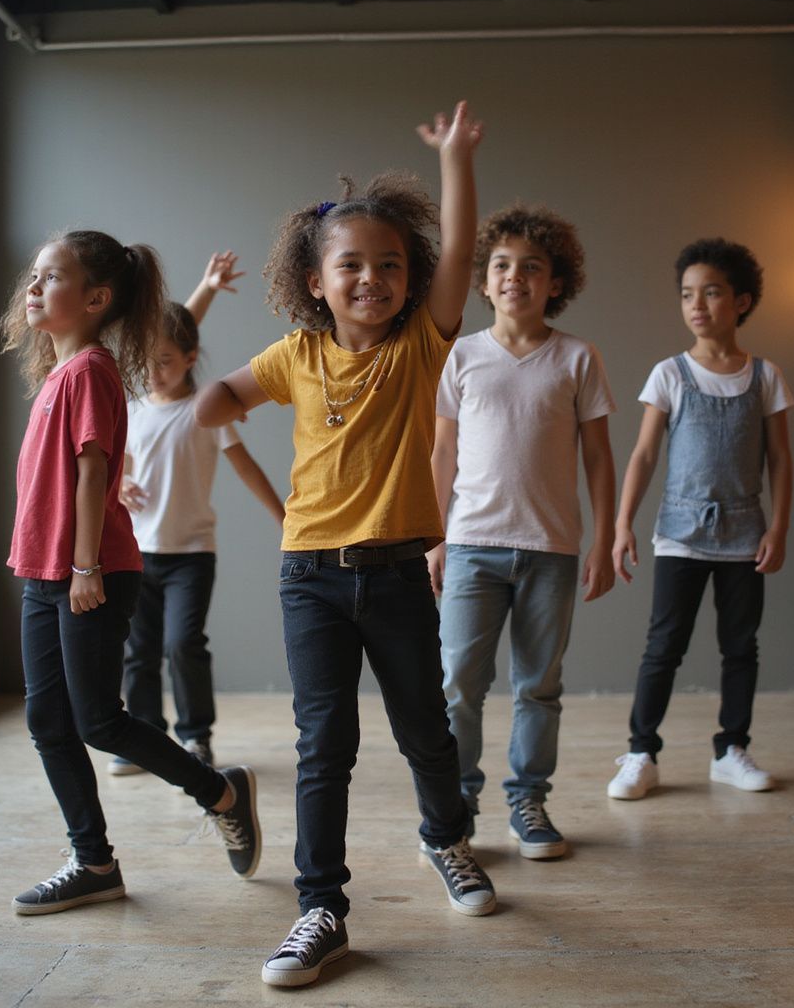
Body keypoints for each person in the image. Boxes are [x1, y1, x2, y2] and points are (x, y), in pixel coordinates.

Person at [196, 101, 495, 989]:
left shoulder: (421, 347)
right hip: (310, 579)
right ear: (316, 280)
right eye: (351, 266)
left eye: (391, 265)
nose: (372, 278)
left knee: (426, 733)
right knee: (324, 744)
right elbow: (217, 402)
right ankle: (319, 907)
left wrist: (455, 162)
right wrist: (212, 445)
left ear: (414, 278)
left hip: (399, 572)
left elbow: (463, 254)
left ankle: (448, 842)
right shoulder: (295, 354)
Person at [0, 230, 261, 916]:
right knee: (47, 720)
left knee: (99, 720)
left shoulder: (90, 371)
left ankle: (221, 791)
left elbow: (92, 476)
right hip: (44, 571)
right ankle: (93, 862)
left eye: (49, 277)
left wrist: (85, 565)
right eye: (34, 275)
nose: (33, 287)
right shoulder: (59, 374)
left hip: (90, 572)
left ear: (96, 298)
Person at [427, 204, 616, 860]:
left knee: (539, 684)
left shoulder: (577, 359)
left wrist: (603, 537)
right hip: (472, 546)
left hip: (551, 551)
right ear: (483, 282)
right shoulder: (461, 357)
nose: (515, 277)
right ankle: (455, 808)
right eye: (502, 266)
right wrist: (434, 536)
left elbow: (599, 456)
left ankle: (528, 800)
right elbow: (441, 457)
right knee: (458, 685)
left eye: (532, 268)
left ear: (555, 283)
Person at [607, 238, 794, 801]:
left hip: (745, 533)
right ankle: (642, 752)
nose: (697, 305)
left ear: (740, 301)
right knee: (664, 644)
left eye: (711, 293)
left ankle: (731, 748)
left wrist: (778, 527)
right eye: (688, 294)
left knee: (741, 646)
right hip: (680, 533)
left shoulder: (765, 377)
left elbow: (781, 460)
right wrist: (623, 525)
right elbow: (642, 455)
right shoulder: (669, 373)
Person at [110, 253, 285, 776]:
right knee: (140, 652)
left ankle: (196, 738)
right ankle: (142, 739)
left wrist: (286, 518)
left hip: (191, 555)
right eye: (145, 361)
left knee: (184, 644)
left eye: (165, 361)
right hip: (137, 553)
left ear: (190, 359)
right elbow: (114, 463)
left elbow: (247, 468)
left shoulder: (207, 410)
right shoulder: (136, 407)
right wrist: (119, 484)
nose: (152, 370)